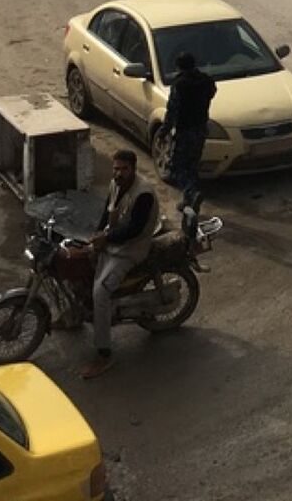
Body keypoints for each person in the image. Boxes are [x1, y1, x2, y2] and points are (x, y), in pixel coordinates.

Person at [76, 149, 161, 380]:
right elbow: (107, 210)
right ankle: (74, 315)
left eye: (123, 169)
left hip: (130, 250)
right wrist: (97, 233)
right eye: (116, 168)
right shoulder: (115, 184)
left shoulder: (143, 194)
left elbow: (135, 229)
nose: (118, 173)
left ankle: (104, 353)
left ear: (133, 169)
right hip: (112, 242)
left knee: (100, 293)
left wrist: (106, 239)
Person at [160, 51, 218, 206]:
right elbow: (212, 94)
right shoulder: (206, 80)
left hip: (185, 130)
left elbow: (172, 109)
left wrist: (164, 130)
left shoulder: (179, 84)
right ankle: (188, 199)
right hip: (200, 129)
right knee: (192, 165)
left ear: (179, 67)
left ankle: (191, 192)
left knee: (176, 168)